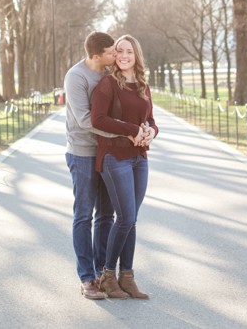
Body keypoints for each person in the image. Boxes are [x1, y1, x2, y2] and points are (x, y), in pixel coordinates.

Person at [91, 34, 158, 300]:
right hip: (114, 157)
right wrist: (131, 130)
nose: (124, 55)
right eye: (119, 51)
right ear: (114, 56)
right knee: (126, 218)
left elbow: (151, 119)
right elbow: (98, 119)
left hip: (140, 157)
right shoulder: (108, 84)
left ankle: (127, 277)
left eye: (129, 51)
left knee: (131, 221)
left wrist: (152, 132)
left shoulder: (143, 85)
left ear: (136, 55)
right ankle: (107, 275)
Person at [64, 31, 119, 300]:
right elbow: (86, 120)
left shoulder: (111, 74)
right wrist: (122, 133)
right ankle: (86, 277)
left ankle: (101, 273)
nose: (115, 55)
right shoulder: (76, 77)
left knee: (106, 215)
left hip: (108, 154)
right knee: (84, 214)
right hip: (83, 152)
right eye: (110, 52)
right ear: (96, 56)